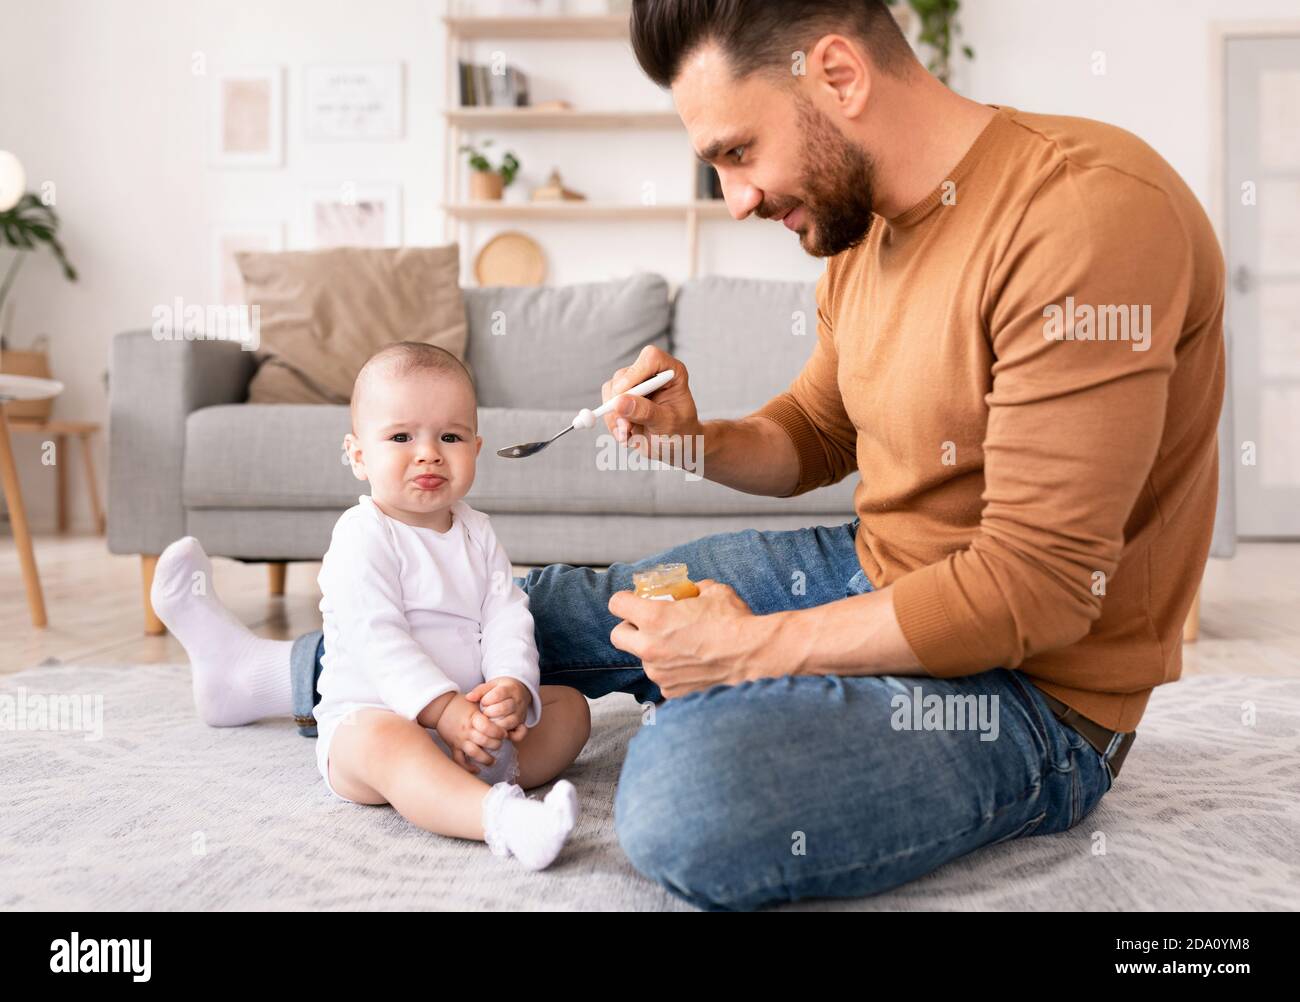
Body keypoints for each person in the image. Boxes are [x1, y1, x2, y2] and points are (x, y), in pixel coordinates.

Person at [151, 0, 1225, 909]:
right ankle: (269, 676)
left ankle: (723, 715)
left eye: (737, 152)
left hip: (1032, 694)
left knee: (689, 800)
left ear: (837, 73)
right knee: (550, 610)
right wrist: (692, 440)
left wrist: (753, 651)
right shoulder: (866, 239)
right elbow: (811, 436)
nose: (738, 198)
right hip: (877, 572)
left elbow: (1035, 588)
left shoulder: (1085, 214)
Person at [153, 342, 590, 870]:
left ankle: (459, 779)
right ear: (359, 455)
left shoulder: (477, 532)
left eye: (449, 437)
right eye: (402, 437)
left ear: (475, 448)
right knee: (383, 738)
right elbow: (379, 641)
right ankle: (501, 818)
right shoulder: (363, 536)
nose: (428, 452)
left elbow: (506, 613)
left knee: (570, 708)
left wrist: (510, 685)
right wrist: (442, 710)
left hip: (467, 721)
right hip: (379, 720)